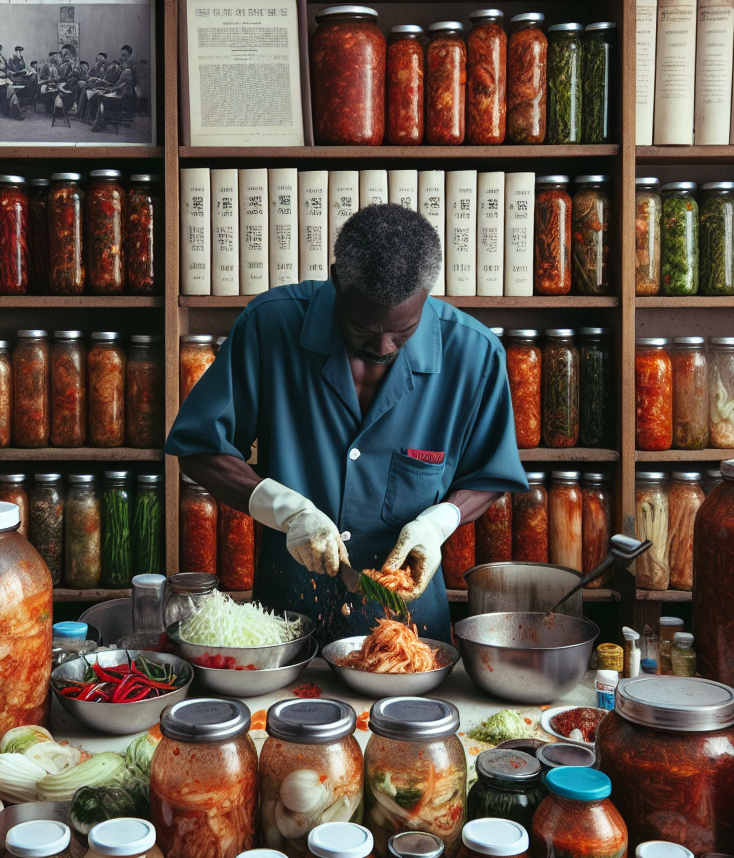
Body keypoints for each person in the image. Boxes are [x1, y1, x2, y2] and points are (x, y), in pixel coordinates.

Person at [166, 204, 526, 643]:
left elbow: (490, 474)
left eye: (403, 330)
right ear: (337, 280)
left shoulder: (475, 354)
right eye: (363, 327)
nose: (382, 345)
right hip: (287, 629)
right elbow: (199, 448)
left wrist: (439, 523)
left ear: (427, 293)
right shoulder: (269, 325)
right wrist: (286, 510)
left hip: (411, 634)